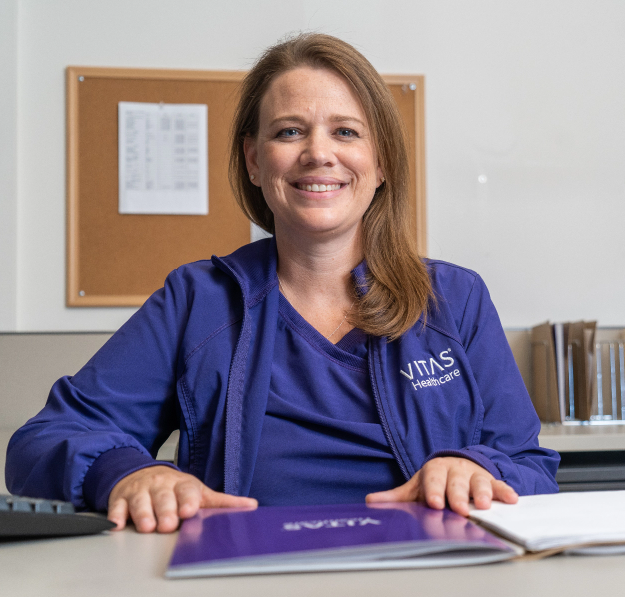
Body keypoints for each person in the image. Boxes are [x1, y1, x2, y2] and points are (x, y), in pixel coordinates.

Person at [5, 33, 559, 534]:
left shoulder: (455, 300)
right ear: (253, 160)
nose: (319, 153)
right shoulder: (196, 301)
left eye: (345, 131)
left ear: (381, 160)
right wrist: (127, 475)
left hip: (430, 577)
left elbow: (530, 465)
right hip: (243, 576)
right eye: (289, 131)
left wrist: (474, 469)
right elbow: (41, 444)